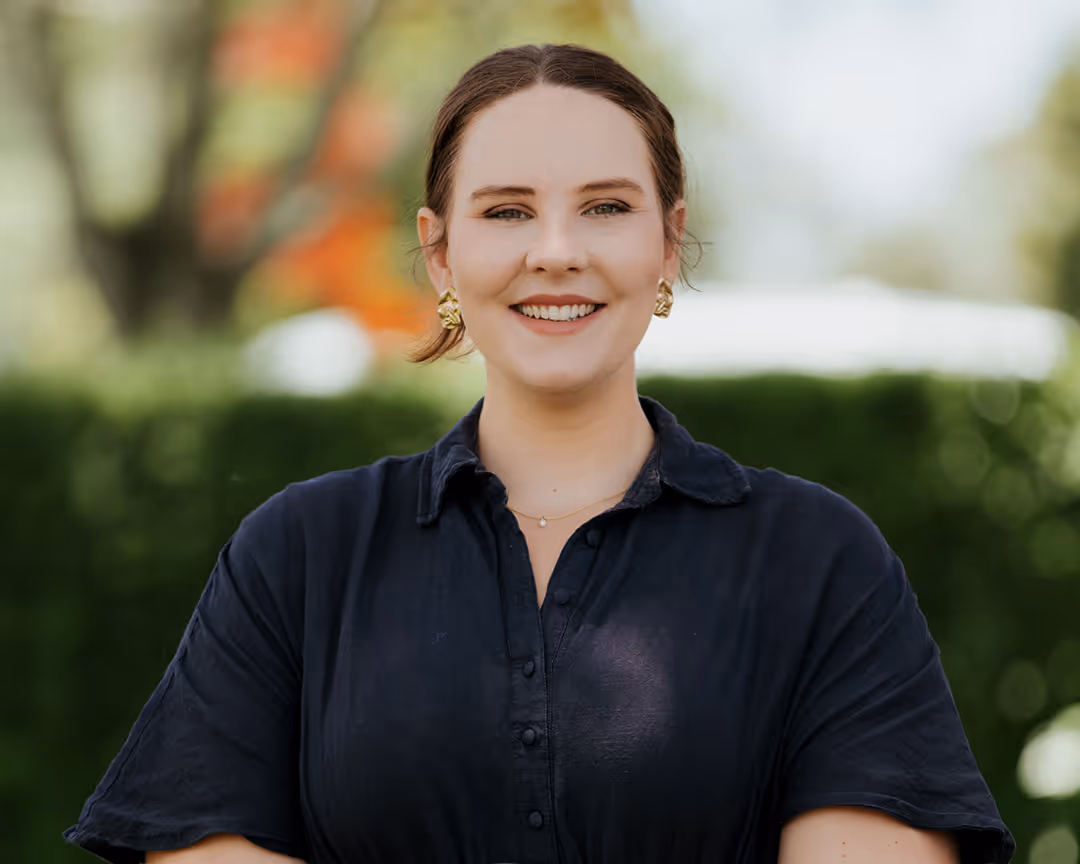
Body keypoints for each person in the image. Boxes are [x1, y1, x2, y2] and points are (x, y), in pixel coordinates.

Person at [63, 43, 1015, 864]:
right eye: (507, 211)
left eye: (605, 207)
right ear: (439, 254)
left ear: (668, 241)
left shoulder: (818, 562)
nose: (556, 251)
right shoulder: (298, 557)